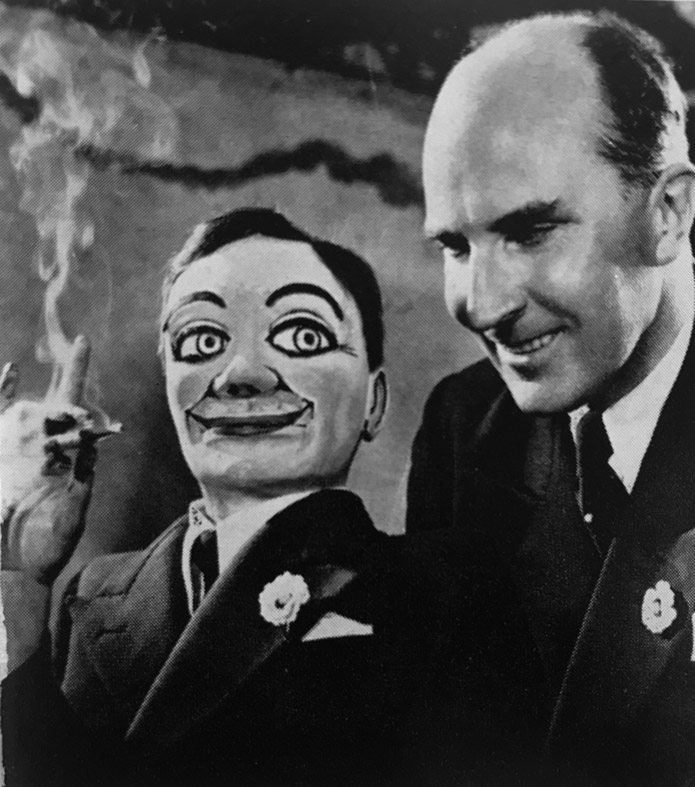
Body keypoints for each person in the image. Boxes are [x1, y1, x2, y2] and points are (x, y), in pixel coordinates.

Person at [2, 208, 435, 787]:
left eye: (301, 335)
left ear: (373, 403)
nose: (241, 374)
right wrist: (17, 571)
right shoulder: (90, 599)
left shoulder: (442, 589)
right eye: (203, 339)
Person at [406, 10, 695, 787]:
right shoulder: (464, 430)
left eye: (530, 231)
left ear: (667, 213)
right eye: (454, 245)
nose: (480, 304)